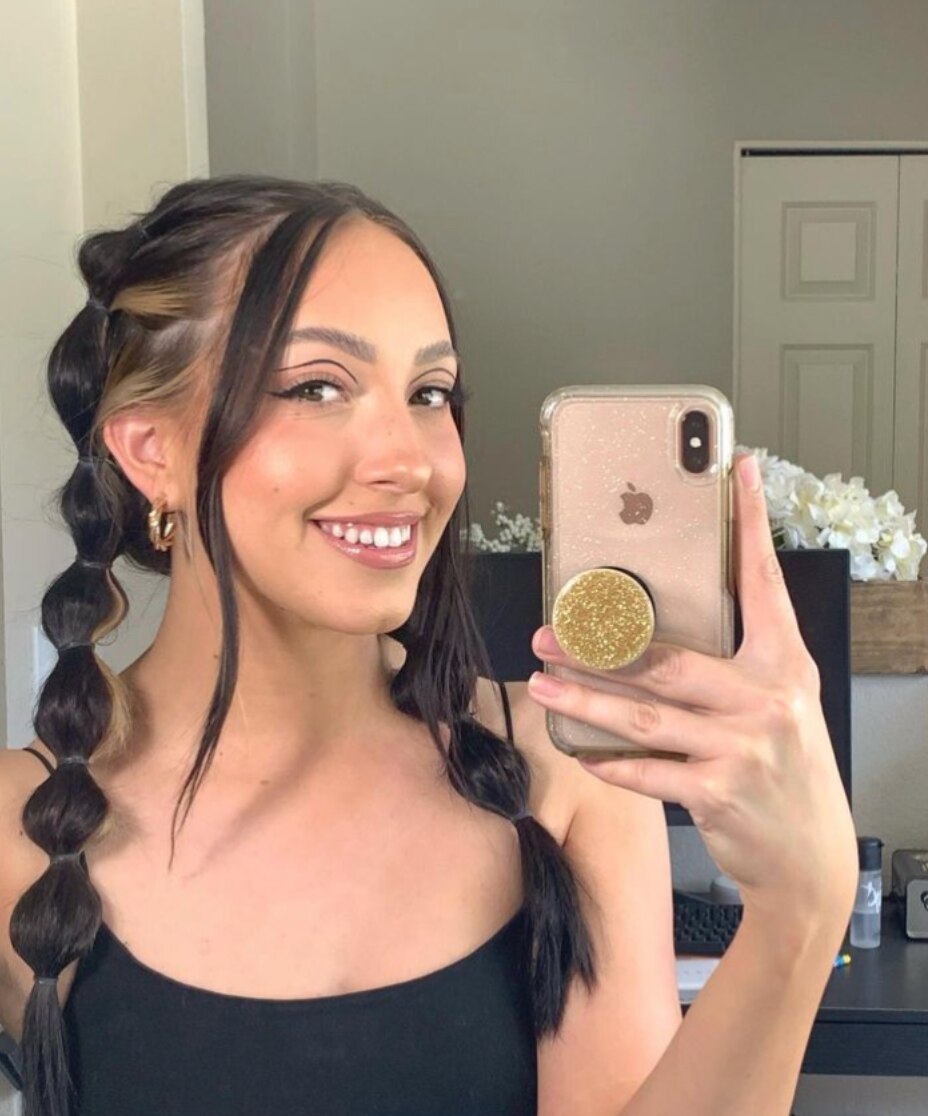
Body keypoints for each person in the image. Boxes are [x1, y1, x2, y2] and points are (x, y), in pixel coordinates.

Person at [0, 176, 857, 1116]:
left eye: (430, 392)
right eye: (318, 387)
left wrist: (801, 910)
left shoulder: (569, 781)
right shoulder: (19, 833)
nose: (412, 459)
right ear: (150, 450)